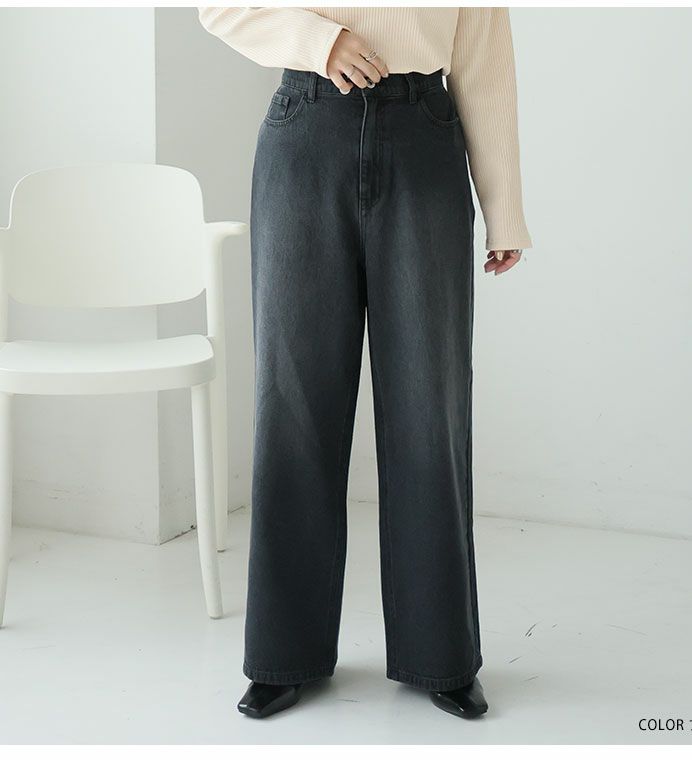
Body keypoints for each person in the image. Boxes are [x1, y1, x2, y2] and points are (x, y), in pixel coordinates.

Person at [197, 6, 532, 720]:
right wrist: (321, 42)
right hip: (306, 126)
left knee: (430, 405)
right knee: (293, 405)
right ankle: (283, 654)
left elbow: (484, 60)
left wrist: (504, 207)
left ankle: (441, 656)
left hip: (424, 134)